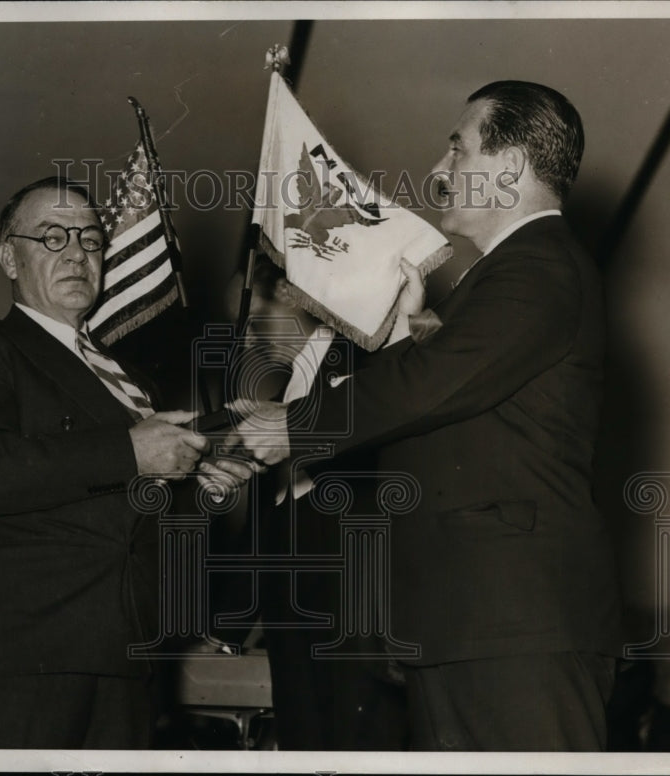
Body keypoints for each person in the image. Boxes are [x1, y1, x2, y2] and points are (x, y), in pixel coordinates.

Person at [230, 81, 623, 751]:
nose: (439, 173)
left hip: (512, 624)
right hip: (475, 622)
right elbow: (457, 392)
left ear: (508, 169)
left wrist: (293, 426)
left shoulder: (537, 266)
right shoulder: (510, 275)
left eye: (456, 149)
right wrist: (404, 338)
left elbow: (433, 385)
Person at [0, 176, 251, 749]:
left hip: (126, 657)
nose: (76, 253)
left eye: (91, 241)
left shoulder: (131, 380)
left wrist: (200, 484)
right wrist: (131, 450)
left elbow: (125, 512)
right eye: (52, 238)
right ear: (8, 256)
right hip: (19, 657)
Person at [221, 259, 407, 750]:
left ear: (297, 295)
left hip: (359, 607)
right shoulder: (282, 395)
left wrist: (290, 428)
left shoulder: (371, 360)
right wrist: (227, 628)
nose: (248, 345)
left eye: (256, 324)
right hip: (293, 611)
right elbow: (272, 521)